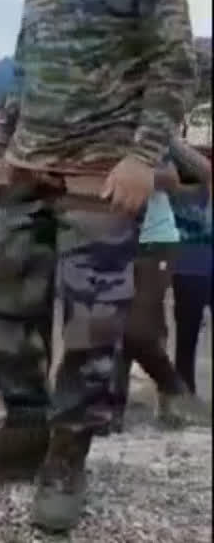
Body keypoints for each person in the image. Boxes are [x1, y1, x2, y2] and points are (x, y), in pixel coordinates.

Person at [0, 0, 196, 533]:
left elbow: (174, 60)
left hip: (101, 173)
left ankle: (67, 458)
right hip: (28, 166)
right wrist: (2, 143)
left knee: (92, 327)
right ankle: (26, 427)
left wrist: (144, 155)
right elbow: (26, 65)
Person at [110, 155, 205, 431]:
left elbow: (172, 179)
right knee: (118, 324)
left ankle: (175, 389)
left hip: (156, 240)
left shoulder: (148, 136)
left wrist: (134, 175)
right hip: (112, 237)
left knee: (137, 328)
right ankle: (114, 406)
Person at [169, 135, 212, 395]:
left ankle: (182, 391)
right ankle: (182, 391)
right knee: (187, 330)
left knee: (187, 330)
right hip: (190, 253)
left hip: (193, 253)